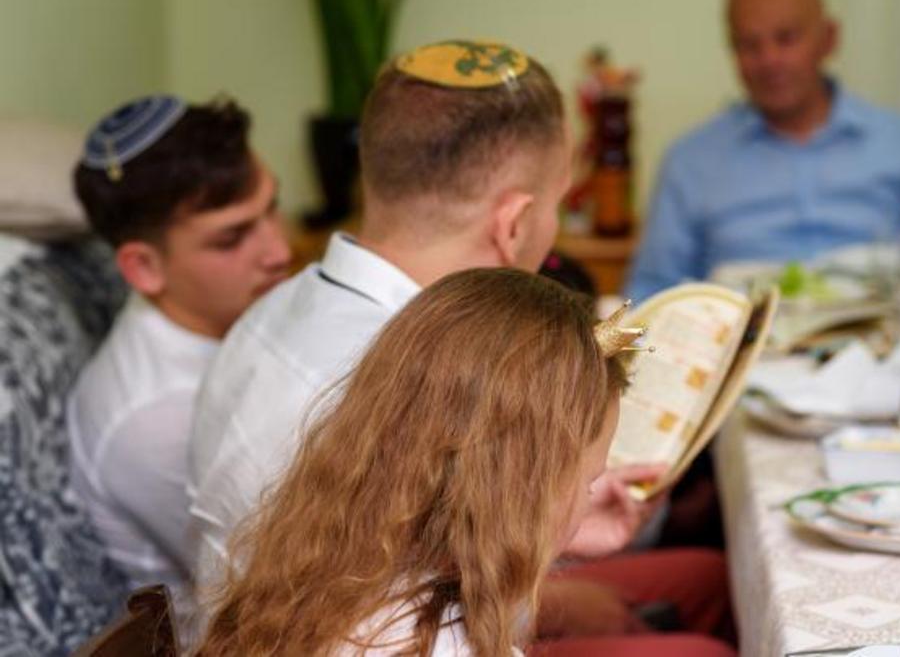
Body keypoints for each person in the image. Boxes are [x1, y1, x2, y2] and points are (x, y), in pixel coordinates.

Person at [188, 41, 733, 652]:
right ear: (514, 224)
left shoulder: (276, 310)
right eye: (556, 206)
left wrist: (556, 515)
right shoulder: (384, 381)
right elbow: (409, 613)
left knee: (711, 580)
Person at [196, 268, 733, 656]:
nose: (591, 493)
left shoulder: (342, 552)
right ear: (519, 489)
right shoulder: (441, 641)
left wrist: (542, 533)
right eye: (589, 479)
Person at [67, 95, 291, 601]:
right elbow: (284, 583)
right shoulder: (151, 420)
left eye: (272, 207)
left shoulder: (236, 316)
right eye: (232, 238)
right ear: (144, 268)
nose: (278, 251)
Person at [625, 0, 900, 301]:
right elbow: (650, 295)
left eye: (786, 39)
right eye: (749, 44)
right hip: (744, 341)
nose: (769, 60)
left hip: (881, 338)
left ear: (829, 39)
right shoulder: (689, 163)